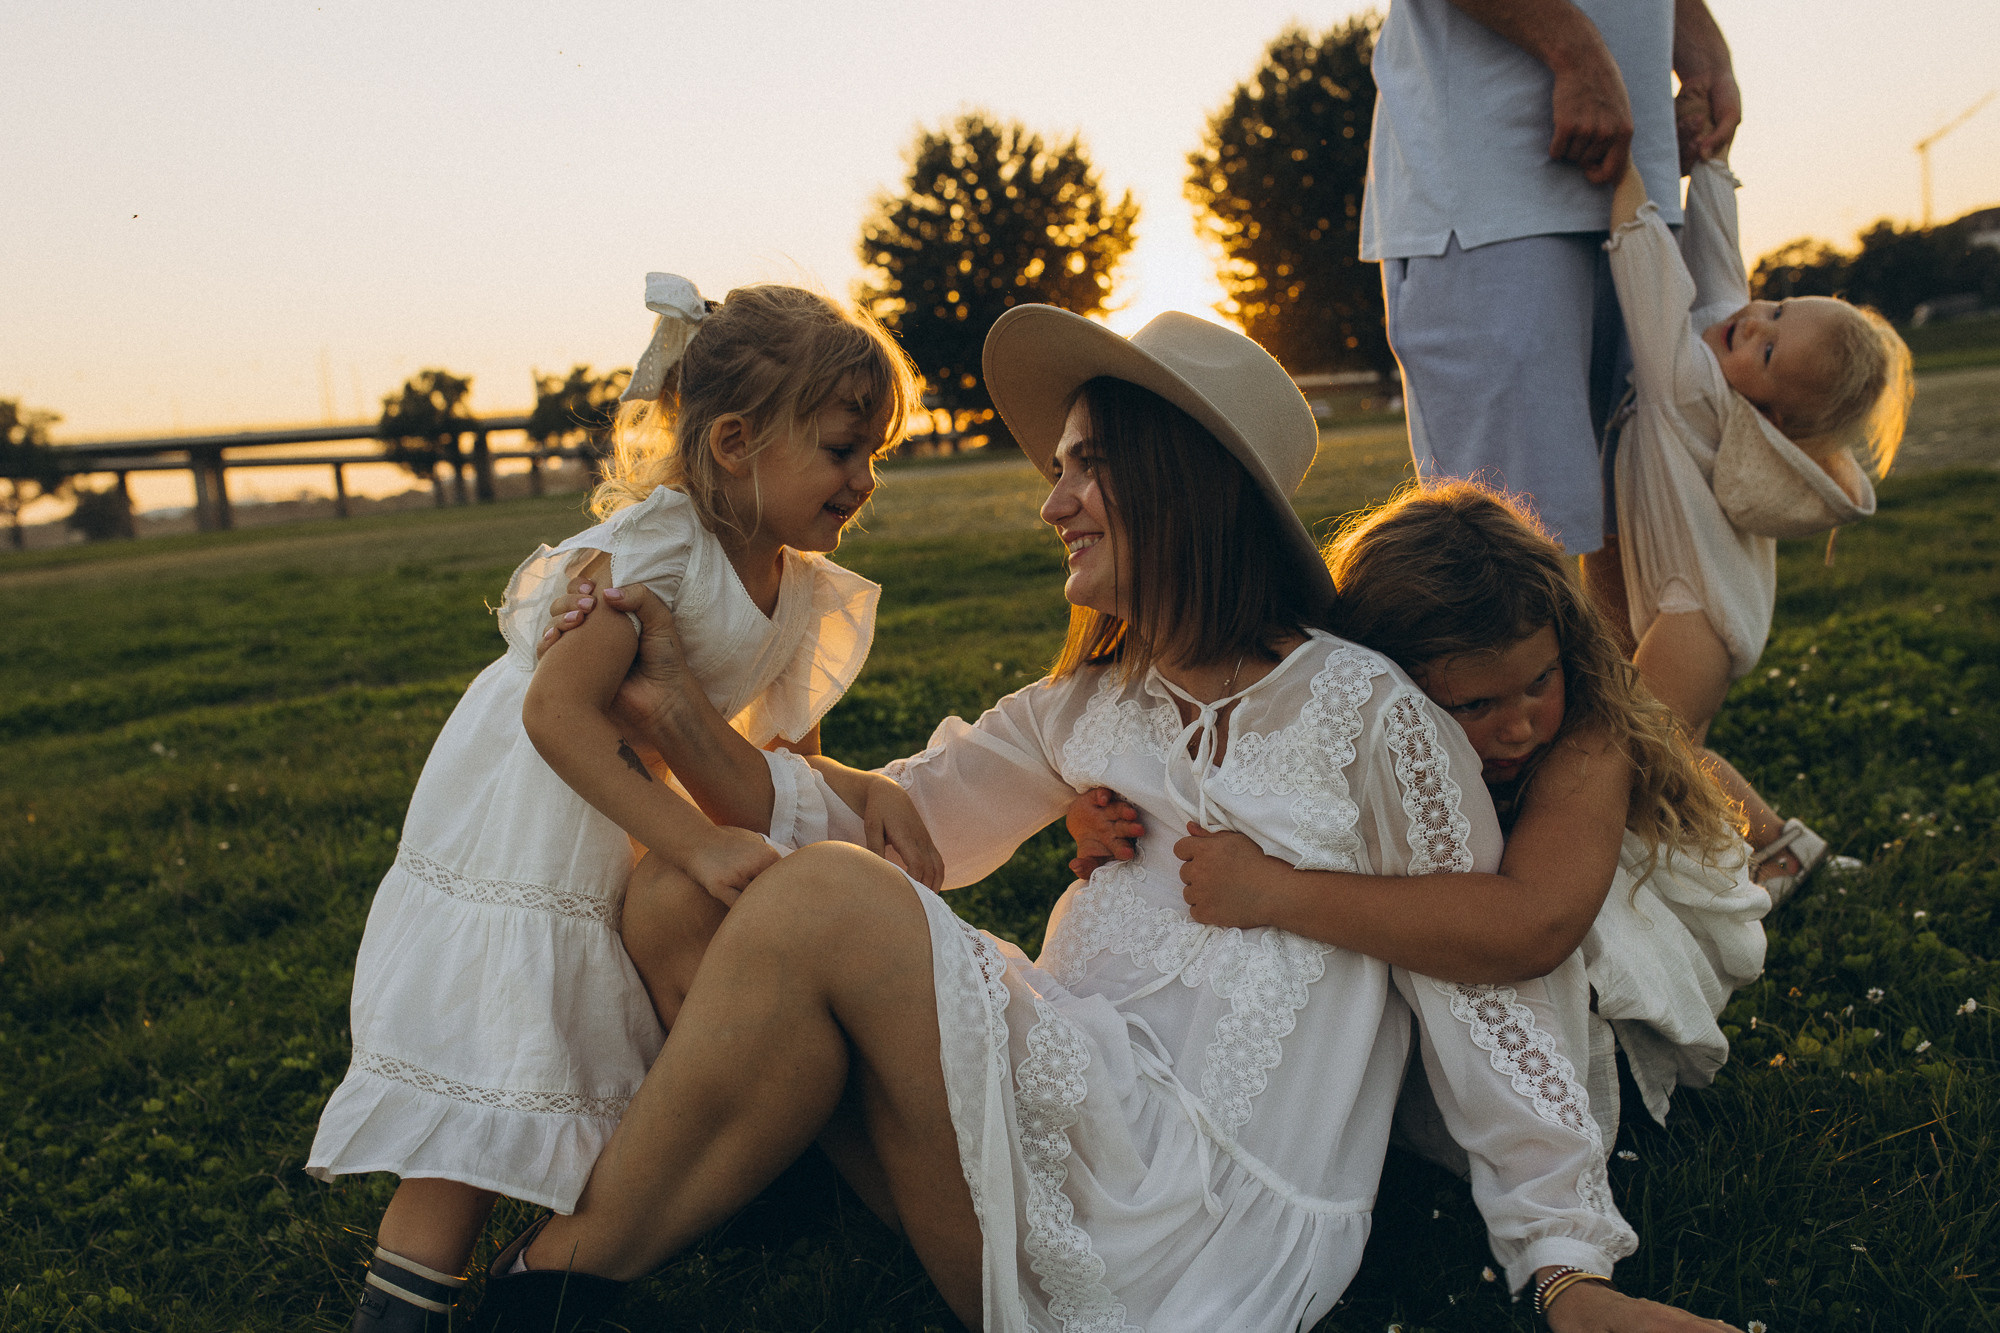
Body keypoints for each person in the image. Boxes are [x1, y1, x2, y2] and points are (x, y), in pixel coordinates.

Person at [480, 308, 1738, 1332]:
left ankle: (552, 1273)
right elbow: (892, 828)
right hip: (1061, 1122)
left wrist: (1567, 1269)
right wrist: (676, 710)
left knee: (811, 899)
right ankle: (645, 1238)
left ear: (1175, 483)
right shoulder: (1086, 705)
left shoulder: (1363, 711)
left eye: (1085, 466)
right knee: (682, 890)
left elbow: (1483, 995)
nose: (1054, 501)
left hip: (1197, 1203)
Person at [307, 276, 936, 1331]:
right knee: (495, 1067)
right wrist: (692, 845)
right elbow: (556, 712)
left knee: (587, 1058)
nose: (862, 478)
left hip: (630, 827)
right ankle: (401, 1307)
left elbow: (773, 761)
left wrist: (853, 787)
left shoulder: (797, 580)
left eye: (874, 452)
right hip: (537, 831)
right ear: (735, 442)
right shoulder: (654, 552)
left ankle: (621, 1236)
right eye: (840, 449)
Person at [1072, 481, 1767, 1146]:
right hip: (1427, 960)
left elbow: (1533, 926)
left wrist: (1274, 891)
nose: (1521, 727)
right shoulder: (1353, 728)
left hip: (1589, 1005)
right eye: (1473, 706)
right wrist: (1116, 823)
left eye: (1538, 682)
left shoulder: (1587, 740)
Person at [1601, 152, 1912, 900]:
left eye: (1767, 348)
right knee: (1671, 752)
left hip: (1689, 620)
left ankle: (1762, 854)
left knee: (1643, 756)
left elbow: (1652, 280)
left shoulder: (1696, 385)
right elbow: (1721, 270)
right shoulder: (1731, 369)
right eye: (1778, 308)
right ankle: (1770, 851)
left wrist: (1622, 179)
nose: (1748, 323)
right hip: (1708, 616)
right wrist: (1710, 166)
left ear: (1773, 415)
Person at [1360, 0, 1741, 599]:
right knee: (1505, 564)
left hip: (1640, 186)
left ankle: (1630, 698)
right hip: (1491, 184)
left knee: (1650, 539)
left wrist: (1703, 53)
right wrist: (1574, 50)